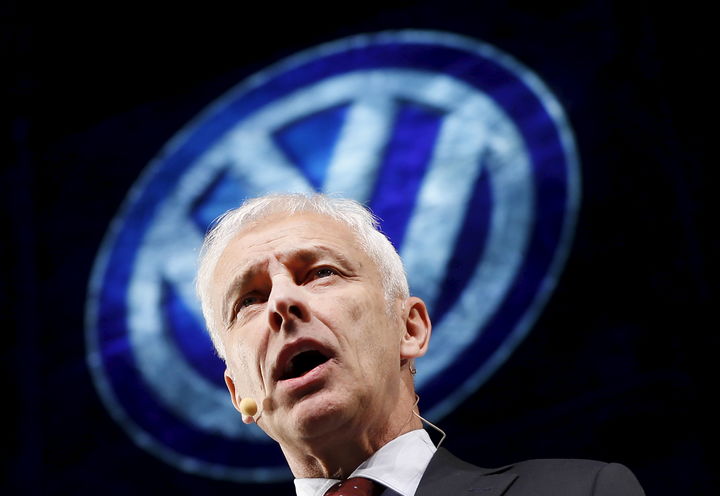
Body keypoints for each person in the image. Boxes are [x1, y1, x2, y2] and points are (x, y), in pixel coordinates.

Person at [195, 193, 645, 496]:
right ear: (239, 393)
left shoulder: (579, 491)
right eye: (248, 301)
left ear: (409, 329)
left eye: (320, 273)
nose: (282, 301)